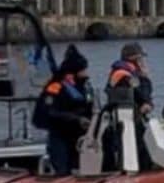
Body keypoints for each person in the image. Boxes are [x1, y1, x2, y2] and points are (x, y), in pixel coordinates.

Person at [33, 45, 94, 176]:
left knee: (81, 167)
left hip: (80, 136)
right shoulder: (55, 87)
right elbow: (50, 111)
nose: (86, 74)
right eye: (83, 71)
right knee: (62, 169)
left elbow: (91, 107)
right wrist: (76, 119)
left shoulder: (85, 87)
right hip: (60, 135)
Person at [104, 42, 154, 170]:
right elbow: (140, 92)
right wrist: (145, 78)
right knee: (136, 146)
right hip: (125, 118)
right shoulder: (123, 74)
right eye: (140, 59)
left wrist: (146, 102)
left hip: (132, 116)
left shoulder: (128, 72)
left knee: (142, 145)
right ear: (134, 59)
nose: (143, 62)